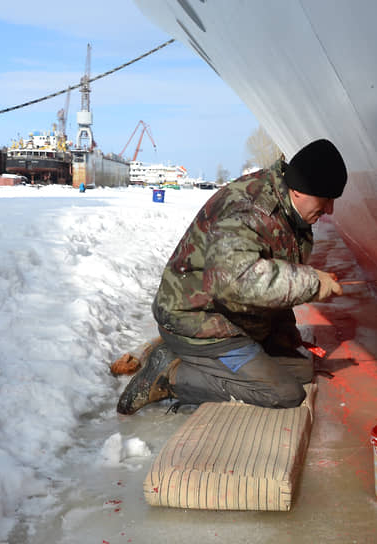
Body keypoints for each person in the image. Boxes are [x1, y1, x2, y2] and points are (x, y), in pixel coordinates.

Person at [117, 138, 346, 414]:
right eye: (327, 198)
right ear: (299, 189)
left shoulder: (292, 212)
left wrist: (286, 342)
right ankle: (169, 376)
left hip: (233, 321)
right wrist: (311, 281)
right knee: (283, 392)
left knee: (302, 370)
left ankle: (188, 362)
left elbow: (276, 287)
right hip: (198, 322)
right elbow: (235, 280)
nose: (330, 209)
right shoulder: (248, 208)